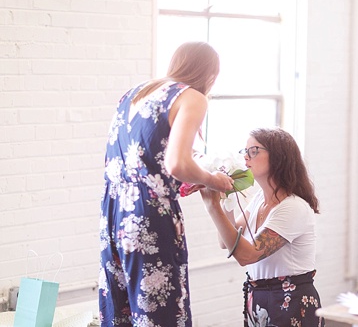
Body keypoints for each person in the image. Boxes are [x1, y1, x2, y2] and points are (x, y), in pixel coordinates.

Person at [98, 41, 234, 327]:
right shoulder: (192, 97)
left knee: (120, 311)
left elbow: (147, 159)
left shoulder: (135, 93)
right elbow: (177, 164)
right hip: (149, 219)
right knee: (160, 313)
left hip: (114, 214)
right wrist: (213, 180)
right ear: (210, 74)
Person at [200, 127, 325, 327]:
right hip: (259, 297)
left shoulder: (292, 207)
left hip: (290, 300)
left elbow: (246, 255)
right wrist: (227, 199)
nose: (246, 158)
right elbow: (226, 241)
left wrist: (212, 206)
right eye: (245, 151)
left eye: (254, 151)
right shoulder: (260, 199)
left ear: (278, 157)